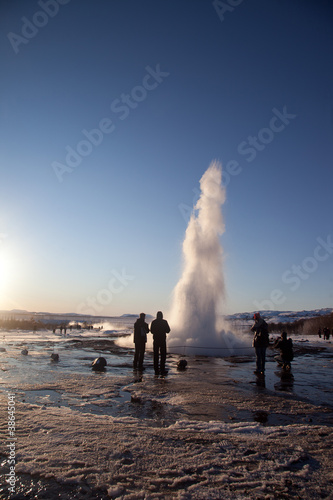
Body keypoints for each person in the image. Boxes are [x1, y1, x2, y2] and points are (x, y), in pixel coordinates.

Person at [150, 311, 170, 375]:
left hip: (156, 340)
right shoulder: (164, 322)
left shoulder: (154, 322)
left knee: (155, 355)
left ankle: (156, 370)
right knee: (163, 355)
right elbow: (168, 330)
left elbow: (152, 331)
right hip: (162, 340)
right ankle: (162, 369)